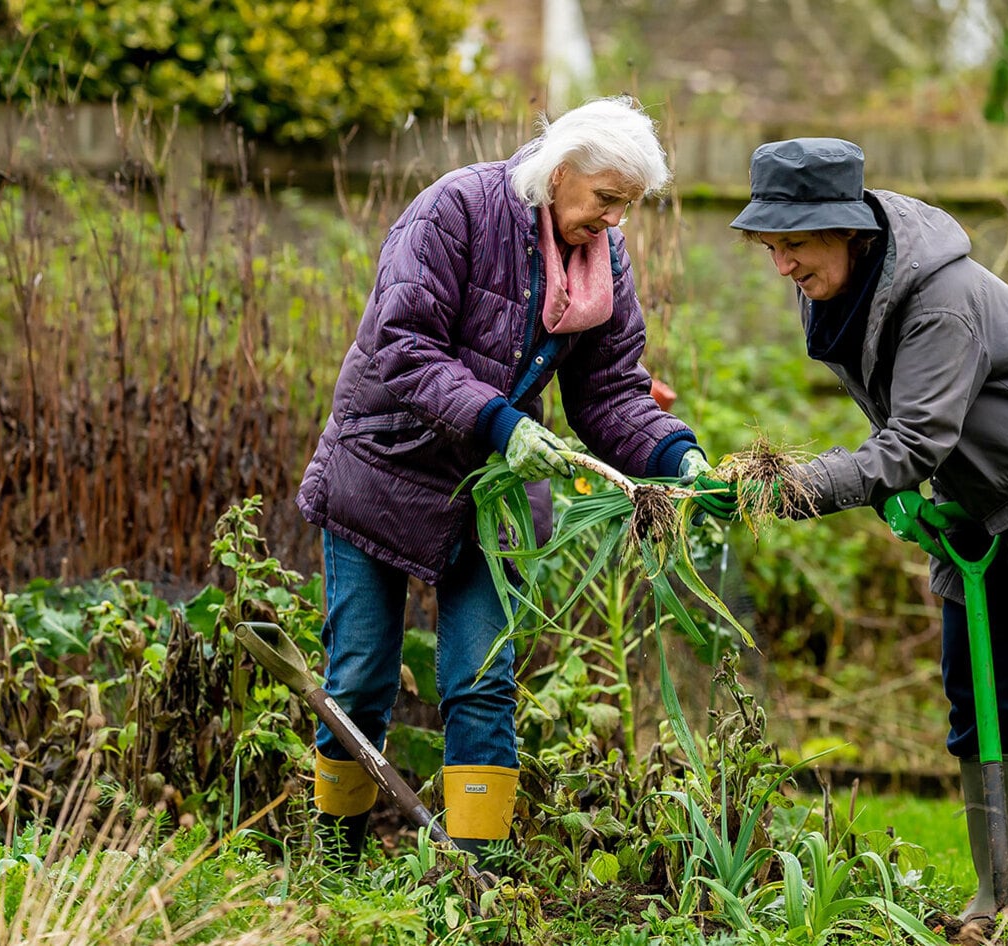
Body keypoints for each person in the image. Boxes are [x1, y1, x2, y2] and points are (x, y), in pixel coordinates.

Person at [696, 138, 1008, 911]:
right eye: (770, 246)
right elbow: (911, 428)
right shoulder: (839, 289)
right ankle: (1000, 901)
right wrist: (893, 488)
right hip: (984, 499)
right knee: (977, 696)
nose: (781, 266)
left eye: (793, 244)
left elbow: (914, 437)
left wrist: (795, 485)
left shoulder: (939, 300)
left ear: (847, 230)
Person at [295, 96, 712, 869]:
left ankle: (471, 880)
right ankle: (336, 864)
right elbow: (402, 343)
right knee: (358, 678)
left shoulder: (600, 260)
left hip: (492, 493)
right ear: (559, 174)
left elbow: (610, 392)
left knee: (481, 682)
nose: (615, 223)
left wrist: (676, 455)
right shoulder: (455, 210)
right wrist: (502, 422)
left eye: (627, 207)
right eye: (606, 201)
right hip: (383, 466)